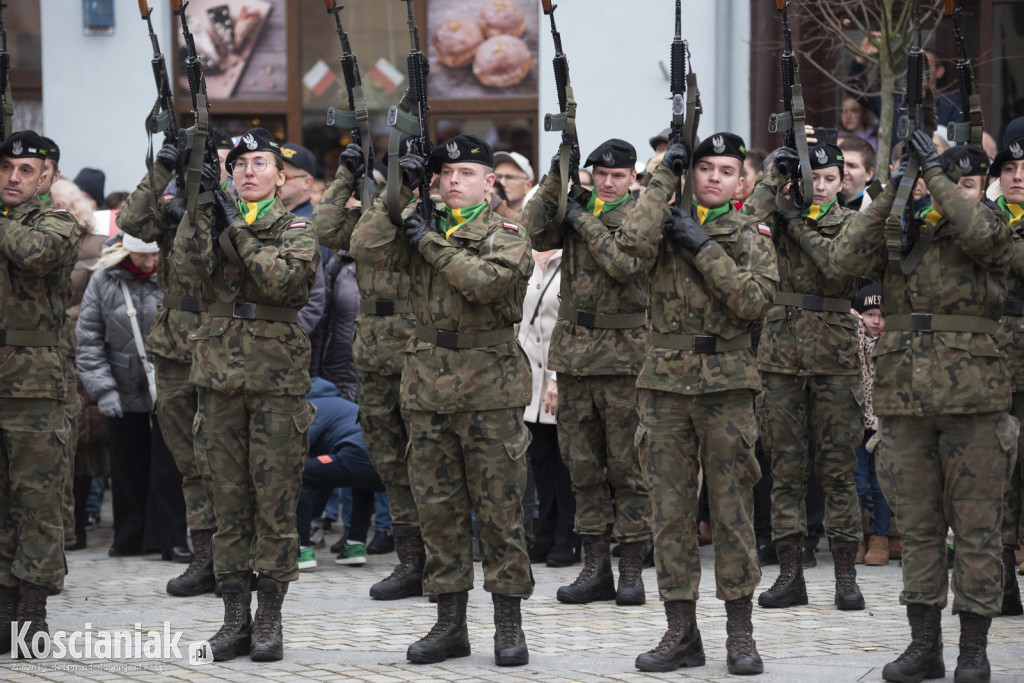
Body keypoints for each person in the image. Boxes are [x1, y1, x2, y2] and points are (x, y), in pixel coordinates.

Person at [825, 129, 1014, 683]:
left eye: (968, 183)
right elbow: (842, 259)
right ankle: (924, 644)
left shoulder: (992, 222)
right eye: (948, 181)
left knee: (976, 529)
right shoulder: (902, 228)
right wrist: (896, 186)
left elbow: (987, 241)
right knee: (919, 528)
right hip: (904, 399)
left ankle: (974, 650)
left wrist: (937, 176)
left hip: (974, 401)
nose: (955, 190)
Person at [350, 134, 534, 667]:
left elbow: (484, 284)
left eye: (467, 173)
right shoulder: (418, 220)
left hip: (489, 388)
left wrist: (428, 240)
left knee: (499, 512)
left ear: (489, 182)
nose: (455, 181)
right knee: (438, 512)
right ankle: (449, 623)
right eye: (446, 173)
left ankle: (508, 624)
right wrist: (400, 194)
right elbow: (364, 247)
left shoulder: (506, 233)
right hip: (427, 386)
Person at [617, 133, 776, 675]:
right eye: (704, 167)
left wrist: (703, 246)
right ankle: (681, 632)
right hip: (665, 388)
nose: (713, 177)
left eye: (726, 170)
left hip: (727, 387)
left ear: (741, 182)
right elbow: (625, 251)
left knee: (732, 514)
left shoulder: (751, 235)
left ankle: (740, 633)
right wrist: (664, 176)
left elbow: (753, 301)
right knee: (670, 515)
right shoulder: (658, 227)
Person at [185, 128, 319, 662]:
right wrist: (199, 207)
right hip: (218, 379)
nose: (247, 171)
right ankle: (234, 617)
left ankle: (269, 618)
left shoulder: (297, 229)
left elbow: (280, 282)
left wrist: (236, 228)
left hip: (276, 384)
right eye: (238, 163)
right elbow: (185, 270)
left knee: (275, 503)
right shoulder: (213, 220)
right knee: (228, 503)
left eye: (259, 162)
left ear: (281, 176)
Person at [519, 138, 652, 606]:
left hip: (625, 359)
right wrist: (557, 175)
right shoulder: (574, 207)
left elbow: (624, 265)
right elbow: (531, 231)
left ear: (632, 178)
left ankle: (630, 568)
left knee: (629, 468)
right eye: (601, 174)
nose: (608, 182)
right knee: (582, 467)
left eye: (618, 175)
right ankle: (595, 568)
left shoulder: (641, 215)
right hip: (576, 358)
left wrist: (579, 217)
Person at [747, 142, 866, 612]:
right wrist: (772, 178)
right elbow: (741, 225)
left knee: (838, 470)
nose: (821, 187)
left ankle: (845, 576)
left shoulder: (853, 223)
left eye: (830, 178)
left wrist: (796, 222)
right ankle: (790, 574)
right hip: (780, 357)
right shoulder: (773, 218)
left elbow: (837, 266)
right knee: (785, 470)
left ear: (842, 182)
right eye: (812, 179)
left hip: (835, 358)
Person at [313, 141, 422, 599]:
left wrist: (409, 189)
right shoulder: (367, 221)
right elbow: (323, 227)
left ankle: (437, 560)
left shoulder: (425, 215)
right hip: (373, 354)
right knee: (388, 462)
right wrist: (345, 175)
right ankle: (410, 560)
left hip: (418, 350)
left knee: (427, 463)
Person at [117, 136, 219, 597]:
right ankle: (204, 556)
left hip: (221, 343)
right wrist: (161, 169)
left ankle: (236, 558)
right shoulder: (172, 203)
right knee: (189, 460)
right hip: (175, 344)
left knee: (226, 460)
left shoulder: (235, 203)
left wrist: (204, 209)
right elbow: (131, 221)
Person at [0, 130, 80, 653]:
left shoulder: (58, 223)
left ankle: (32, 611)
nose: (13, 177)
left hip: (34, 387)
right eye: (6, 167)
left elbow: (35, 254)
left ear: (48, 177)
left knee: (37, 503)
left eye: (26, 170)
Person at [76, 234, 187, 559]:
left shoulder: (175, 274)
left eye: (155, 256)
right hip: (121, 385)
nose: (150, 263)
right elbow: (88, 338)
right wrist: (103, 389)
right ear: (126, 252)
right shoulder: (104, 280)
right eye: (142, 256)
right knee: (126, 464)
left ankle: (170, 538)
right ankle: (130, 538)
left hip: (168, 386)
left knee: (169, 466)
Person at [518, 248, 579, 567]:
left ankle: (568, 538)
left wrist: (558, 377)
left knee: (566, 462)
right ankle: (544, 535)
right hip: (529, 378)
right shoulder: (522, 257)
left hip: (561, 376)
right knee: (540, 460)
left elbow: (574, 324)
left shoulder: (571, 258)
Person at [987, 122, 1024, 617]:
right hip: (992, 360)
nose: (1017, 177)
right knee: (999, 469)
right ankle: (1001, 578)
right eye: (1009, 168)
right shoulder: (981, 217)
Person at [295, 378, 385, 570]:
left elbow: (301, 445)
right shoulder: (344, 404)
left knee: (301, 474)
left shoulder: (313, 406)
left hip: (353, 455)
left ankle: (301, 549)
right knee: (362, 485)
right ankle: (355, 547)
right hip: (382, 463)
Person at [852, 283, 891, 566]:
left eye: (881, 315)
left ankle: (881, 538)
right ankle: (856, 538)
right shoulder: (853, 340)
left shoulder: (892, 343)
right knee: (857, 483)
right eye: (869, 315)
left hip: (885, 423)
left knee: (882, 485)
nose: (876, 321)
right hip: (858, 423)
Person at [838, 136, 876, 211]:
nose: (843, 171)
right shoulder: (822, 198)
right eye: (840, 163)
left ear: (869, 174)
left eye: (852, 166)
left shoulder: (879, 204)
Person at [492, 151, 535, 215]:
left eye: (510, 177)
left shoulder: (539, 217)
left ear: (528, 185)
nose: (502, 183)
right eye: (498, 177)